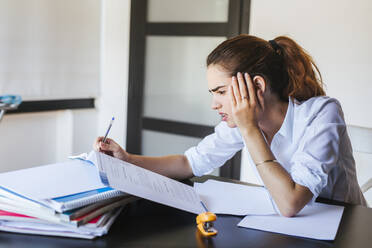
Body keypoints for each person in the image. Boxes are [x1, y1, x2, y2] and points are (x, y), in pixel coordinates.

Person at [94, 34, 366, 217]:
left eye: (221, 91)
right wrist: (127, 159)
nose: (214, 104)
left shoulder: (322, 113)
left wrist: (249, 129)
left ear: (257, 85)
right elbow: (190, 163)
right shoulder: (240, 121)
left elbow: (291, 203)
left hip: (346, 228)